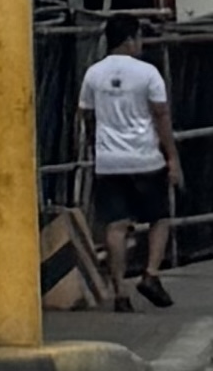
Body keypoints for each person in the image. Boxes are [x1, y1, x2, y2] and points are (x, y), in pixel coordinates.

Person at [76, 19, 183, 310]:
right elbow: (161, 115)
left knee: (116, 225)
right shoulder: (148, 73)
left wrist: (96, 145)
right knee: (159, 217)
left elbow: (86, 114)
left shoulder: (93, 74)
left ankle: (120, 291)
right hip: (146, 158)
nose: (140, 44)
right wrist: (172, 157)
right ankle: (150, 274)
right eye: (138, 38)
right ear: (129, 39)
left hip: (109, 161)